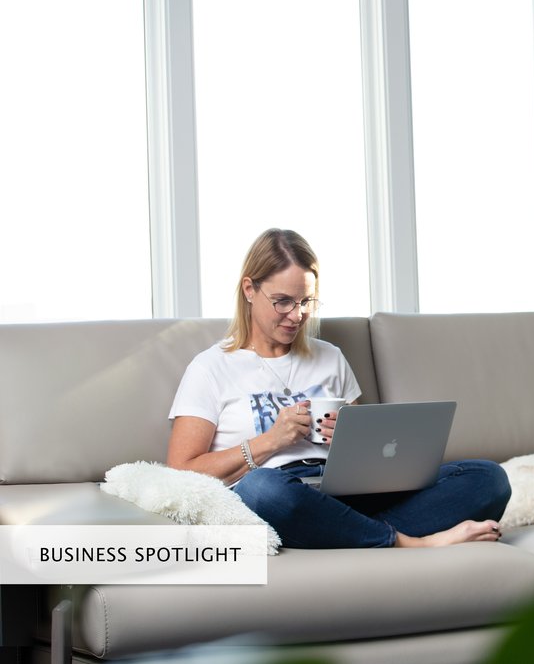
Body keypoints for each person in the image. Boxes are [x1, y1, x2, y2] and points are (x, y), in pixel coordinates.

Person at [167, 228, 511, 548]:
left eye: (306, 302)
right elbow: (181, 471)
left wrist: (351, 438)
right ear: (249, 290)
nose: (297, 315)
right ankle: (412, 542)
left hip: (344, 492)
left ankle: (351, 533)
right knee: (264, 491)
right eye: (283, 301)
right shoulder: (211, 367)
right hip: (283, 491)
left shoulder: (330, 357)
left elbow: (373, 454)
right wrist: (269, 442)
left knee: (488, 477)